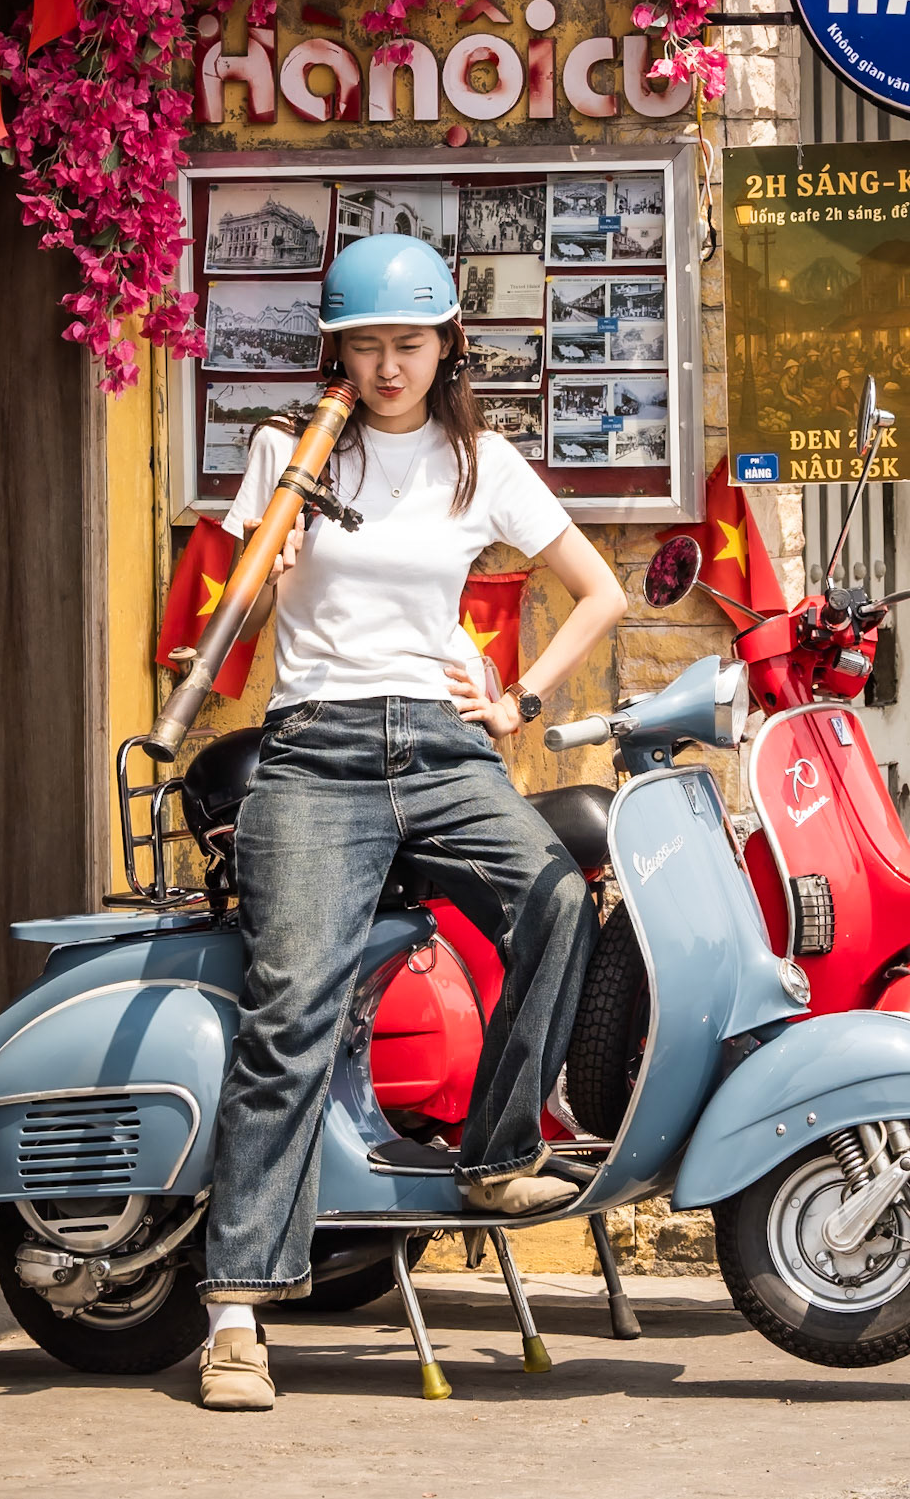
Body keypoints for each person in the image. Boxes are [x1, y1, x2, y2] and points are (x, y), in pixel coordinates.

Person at [196, 235, 626, 1412]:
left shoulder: (480, 459)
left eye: (410, 341)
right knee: (292, 1007)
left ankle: (496, 1157)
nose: (389, 365)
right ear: (336, 349)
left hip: (440, 747)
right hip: (316, 747)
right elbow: (240, 619)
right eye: (366, 343)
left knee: (554, 896)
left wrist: (518, 696)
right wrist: (270, 552)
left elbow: (604, 588)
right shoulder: (291, 450)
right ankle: (236, 1306)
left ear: (448, 345)